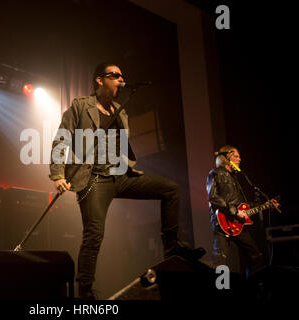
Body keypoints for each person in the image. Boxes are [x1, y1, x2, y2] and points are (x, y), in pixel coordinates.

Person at [49, 62, 202, 299]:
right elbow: (61, 140)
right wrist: (58, 175)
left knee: (171, 189)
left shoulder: (121, 110)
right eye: (115, 76)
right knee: (94, 235)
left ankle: (172, 249)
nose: (121, 80)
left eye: (122, 76)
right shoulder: (80, 106)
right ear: (99, 80)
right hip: (94, 179)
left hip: (120, 175)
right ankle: (85, 292)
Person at [206, 145, 279, 275]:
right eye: (236, 156)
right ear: (227, 157)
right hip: (223, 223)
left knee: (256, 257)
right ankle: (219, 290)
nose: (239, 159)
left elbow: (243, 206)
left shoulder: (235, 178)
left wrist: (266, 204)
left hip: (237, 223)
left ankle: (251, 290)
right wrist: (234, 211)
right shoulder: (216, 173)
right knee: (219, 262)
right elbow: (213, 197)